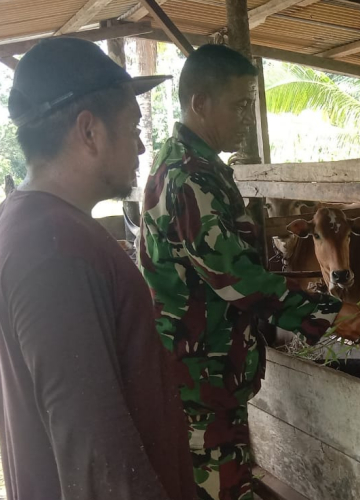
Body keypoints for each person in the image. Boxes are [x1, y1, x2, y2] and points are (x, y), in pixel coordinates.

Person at [138, 44, 360, 500]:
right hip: (201, 374)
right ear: (200, 104)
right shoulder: (189, 176)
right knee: (219, 487)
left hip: (206, 368)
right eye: (240, 104)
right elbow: (236, 277)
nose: (249, 116)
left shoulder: (194, 165)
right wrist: (331, 313)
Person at [0, 38, 196, 500]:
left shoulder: (29, 225)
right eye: (133, 127)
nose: (143, 146)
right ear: (89, 132)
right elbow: (100, 458)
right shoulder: (55, 249)